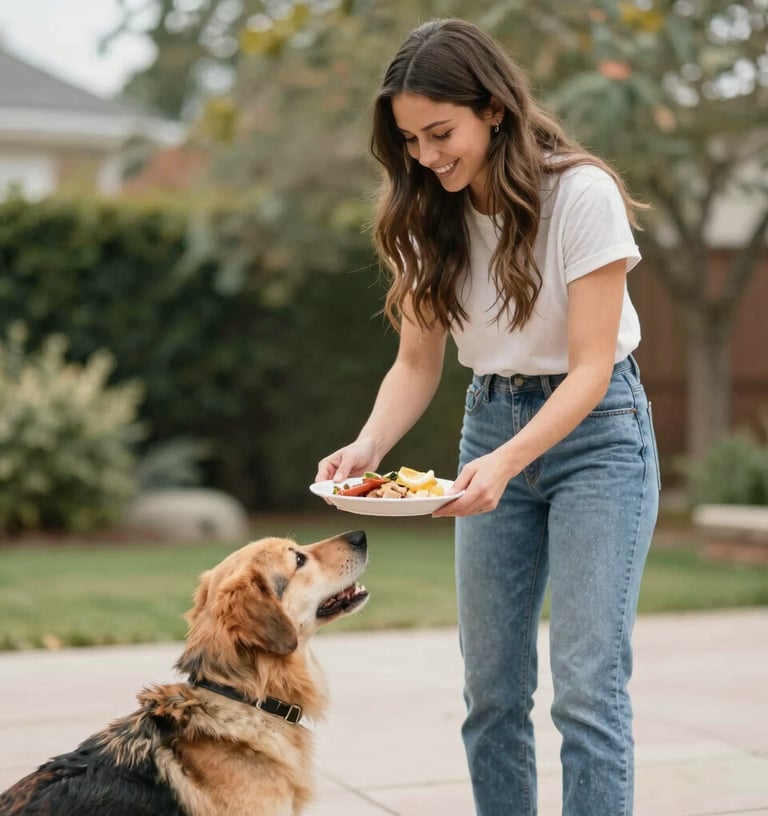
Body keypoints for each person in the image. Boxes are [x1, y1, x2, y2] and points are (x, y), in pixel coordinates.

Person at [315, 18, 660, 816]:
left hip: (598, 436)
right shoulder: (423, 214)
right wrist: (366, 447)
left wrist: (507, 464)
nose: (428, 156)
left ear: (494, 110)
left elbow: (590, 368)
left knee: (587, 691)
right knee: (492, 694)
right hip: (490, 420)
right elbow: (416, 362)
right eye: (410, 139)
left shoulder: (580, 193)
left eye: (443, 133)